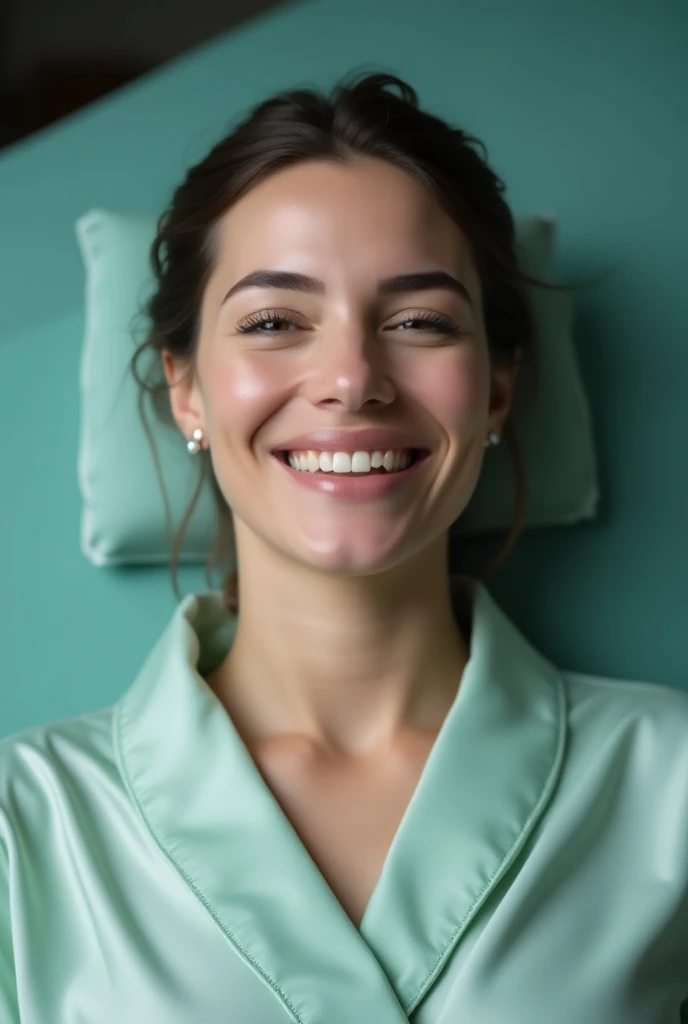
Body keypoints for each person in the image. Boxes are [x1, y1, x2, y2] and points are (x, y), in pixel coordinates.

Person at [1, 71, 686, 1024]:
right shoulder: (24, 823)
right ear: (186, 389)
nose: (352, 378)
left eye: (419, 322)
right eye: (275, 321)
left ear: (494, 391)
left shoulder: (671, 784)